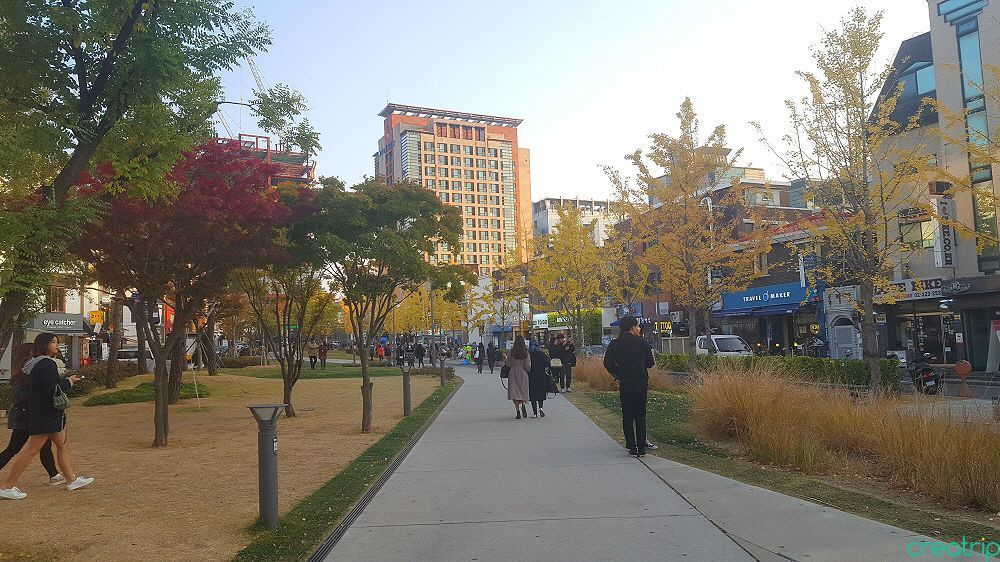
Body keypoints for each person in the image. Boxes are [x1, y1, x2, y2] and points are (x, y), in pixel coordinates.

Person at [1, 333, 94, 500]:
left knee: (62, 445)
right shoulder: (46, 363)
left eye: (56, 342)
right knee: (31, 450)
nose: (56, 345)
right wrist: (69, 381)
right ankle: (7, 486)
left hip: (43, 413)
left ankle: (71, 479)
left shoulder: (34, 364)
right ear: (44, 344)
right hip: (46, 414)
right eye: (53, 342)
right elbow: (52, 388)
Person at [0, 343, 61, 484]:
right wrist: (39, 395)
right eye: (35, 353)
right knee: (14, 448)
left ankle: (54, 475)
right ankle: (54, 475)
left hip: (33, 415)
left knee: (45, 446)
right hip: (24, 417)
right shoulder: (21, 375)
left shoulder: (31, 373)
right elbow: (20, 397)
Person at [603, 316, 655, 458]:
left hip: (625, 382)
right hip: (640, 382)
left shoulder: (615, 344)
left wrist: (619, 373)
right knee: (640, 416)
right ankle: (641, 447)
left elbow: (607, 363)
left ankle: (631, 447)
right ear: (632, 327)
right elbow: (650, 363)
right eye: (637, 326)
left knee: (627, 415)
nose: (639, 329)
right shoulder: (642, 343)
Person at [504, 335, 531, 419]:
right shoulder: (526, 352)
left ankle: (517, 411)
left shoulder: (511, 352)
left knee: (514, 391)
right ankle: (523, 404)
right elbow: (528, 365)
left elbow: (508, 364)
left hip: (513, 372)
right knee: (522, 390)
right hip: (523, 373)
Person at [527, 340, 551, 418]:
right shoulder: (542, 354)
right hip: (541, 376)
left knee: (533, 394)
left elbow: (527, 365)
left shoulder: (529, 355)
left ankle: (534, 413)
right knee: (540, 393)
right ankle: (541, 407)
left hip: (531, 376)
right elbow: (547, 364)